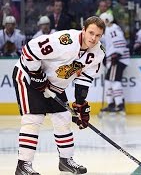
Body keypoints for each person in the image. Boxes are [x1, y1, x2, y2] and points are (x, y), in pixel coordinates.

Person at [12, 16, 106, 175]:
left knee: (63, 117)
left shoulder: (98, 53)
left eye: (98, 35)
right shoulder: (65, 41)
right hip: (28, 76)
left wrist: (80, 104)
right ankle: (23, 165)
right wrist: (36, 73)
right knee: (33, 119)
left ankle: (65, 161)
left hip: (54, 85)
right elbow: (29, 49)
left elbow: (85, 78)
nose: (93, 38)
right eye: (90, 33)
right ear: (83, 30)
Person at [99, 12, 130, 114]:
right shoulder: (109, 30)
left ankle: (119, 105)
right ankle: (112, 104)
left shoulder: (112, 29)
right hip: (114, 59)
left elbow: (120, 42)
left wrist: (116, 55)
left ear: (107, 20)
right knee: (109, 82)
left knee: (114, 82)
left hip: (116, 59)